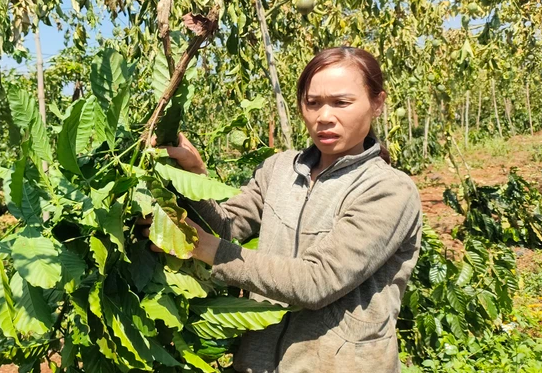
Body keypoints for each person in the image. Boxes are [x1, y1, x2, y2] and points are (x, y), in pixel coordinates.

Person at [144, 46, 422, 372]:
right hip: (257, 362)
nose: (324, 116)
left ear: (377, 103)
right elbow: (229, 228)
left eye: (341, 102)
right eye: (313, 103)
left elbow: (316, 281)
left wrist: (200, 246)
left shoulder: (389, 191)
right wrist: (192, 178)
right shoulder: (279, 169)